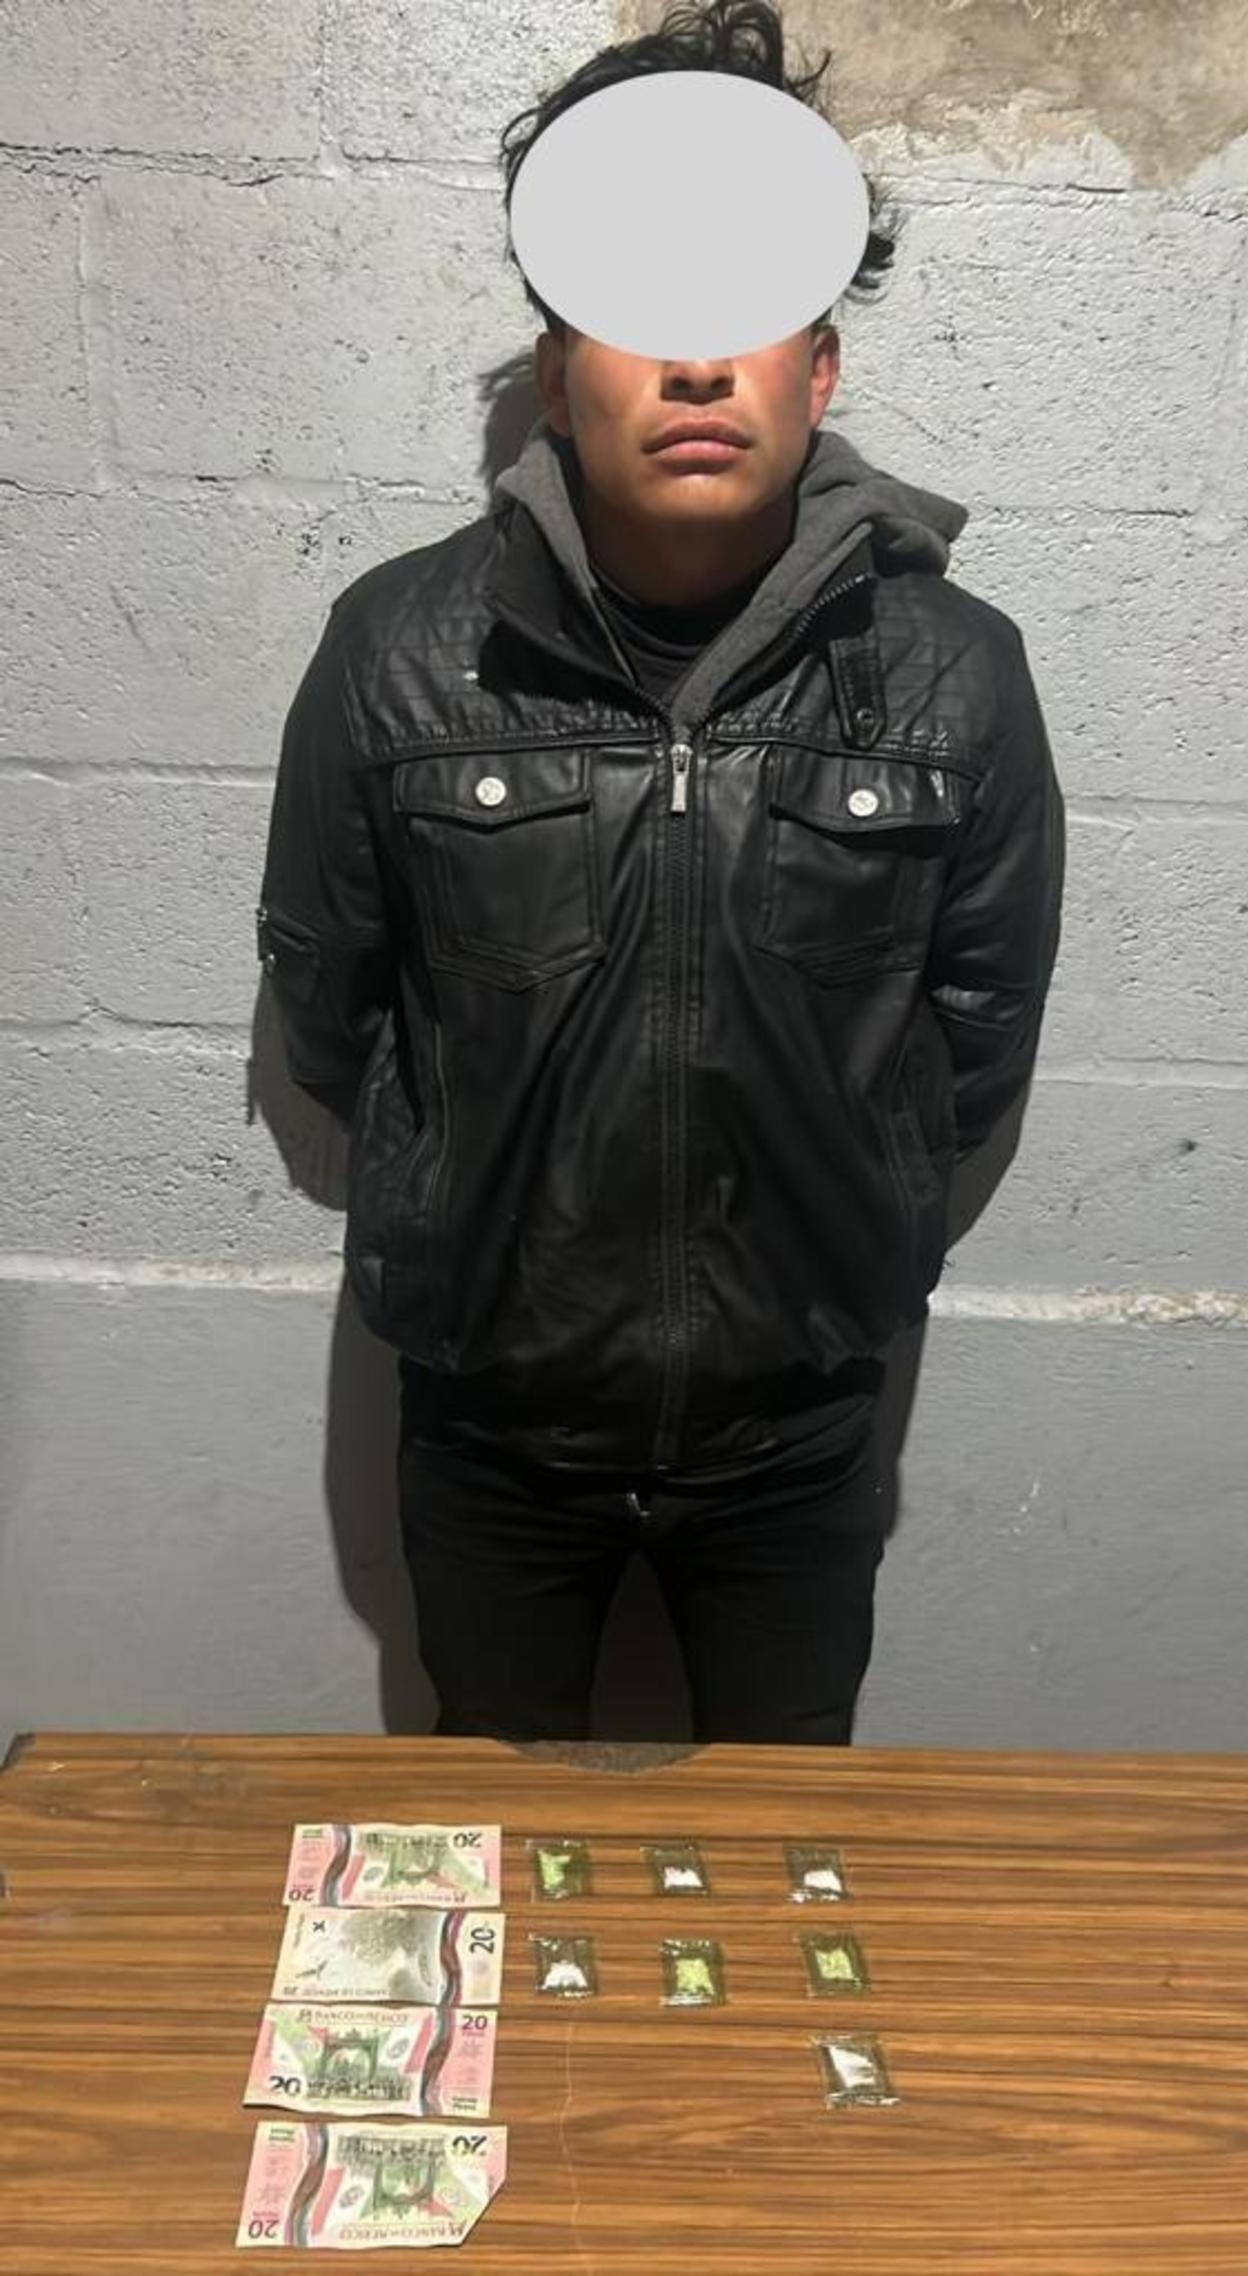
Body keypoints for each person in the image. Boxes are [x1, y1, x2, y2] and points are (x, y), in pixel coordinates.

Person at [257, 1, 1066, 1747]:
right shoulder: (398, 655)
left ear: (820, 372)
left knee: (787, 1865)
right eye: (640, 309)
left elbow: (978, 1029)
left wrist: (844, 1226)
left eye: (748, 308)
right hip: (488, 1423)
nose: (698, 366)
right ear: (559, 375)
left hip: (801, 1430)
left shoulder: (958, 675)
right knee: (484, 1852)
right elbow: (331, 1004)